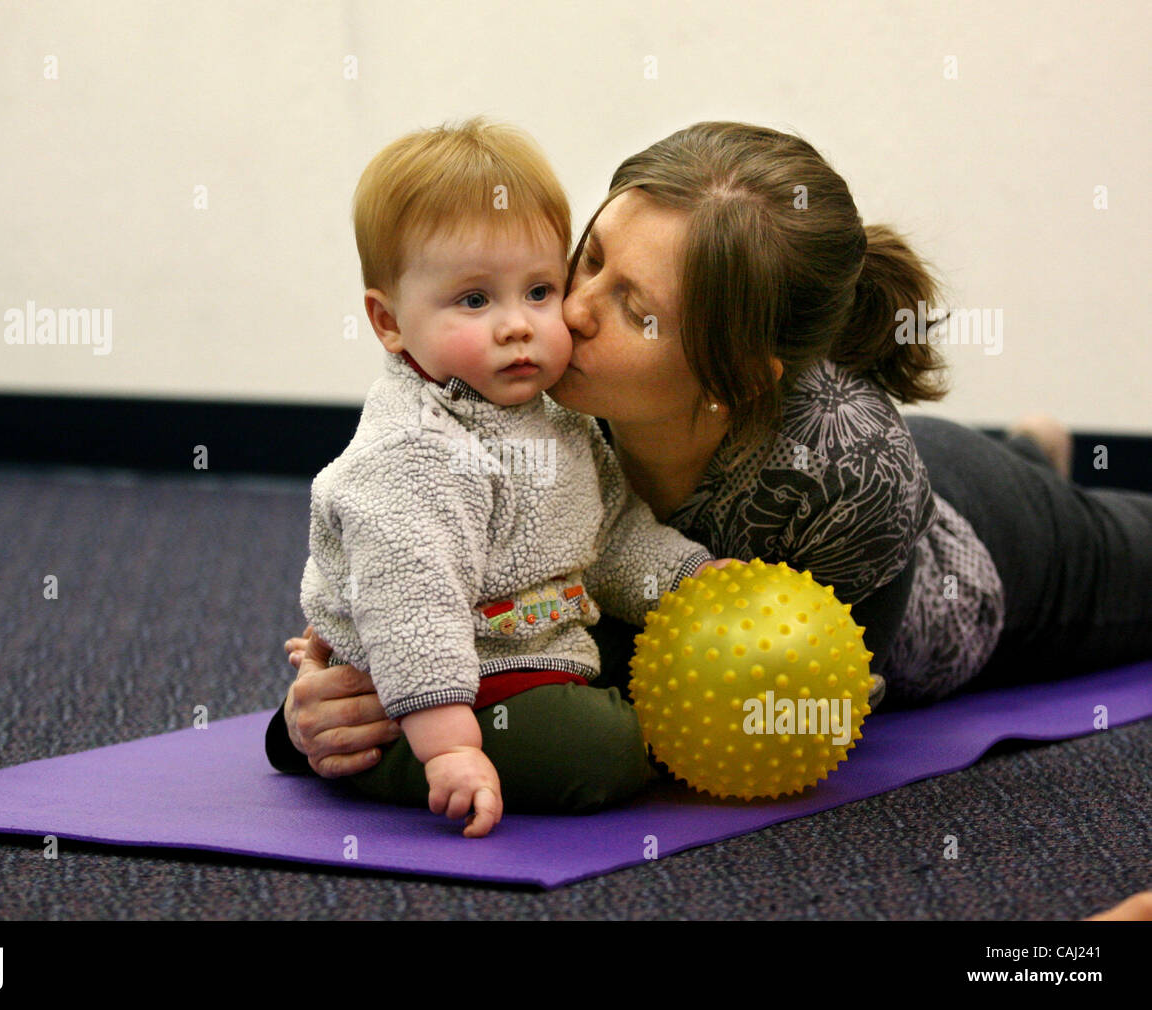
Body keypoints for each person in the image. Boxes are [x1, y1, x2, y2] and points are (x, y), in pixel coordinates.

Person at [271, 121, 1152, 835]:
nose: (568, 311)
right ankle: (1034, 447)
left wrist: (404, 725)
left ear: (736, 370)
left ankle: (1034, 468)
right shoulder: (540, 384)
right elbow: (427, 550)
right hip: (921, 462)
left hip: (985, 563)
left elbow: (766, 711)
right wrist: (324, 692)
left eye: (635, 309)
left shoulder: (846, 477)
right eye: (589, 259)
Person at [272, 117, 739, 838]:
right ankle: (379, 767)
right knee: (598, 753)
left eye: (540, 290)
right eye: (474, 300)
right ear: (389, 322)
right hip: (424, 688)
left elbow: (610, 533)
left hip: (531, 644)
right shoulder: (415, 451)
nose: (517, 325)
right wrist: (451, 748)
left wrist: (690, 582)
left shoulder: (556, 417)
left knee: (656, 654)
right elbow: (414, 609)